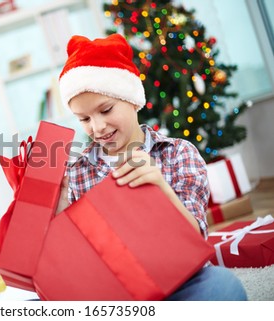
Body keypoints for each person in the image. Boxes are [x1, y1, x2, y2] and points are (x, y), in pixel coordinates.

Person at [56, 34, 247, 300]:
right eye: (84, 118)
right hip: (116, 292)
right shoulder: (77, 171)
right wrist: (60, 213)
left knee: (224, 287)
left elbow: (195, 237)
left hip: (181, 279)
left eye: (107, 110)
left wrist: (160, 189)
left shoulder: (178, 153)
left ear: (133, 100)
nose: (97, 127)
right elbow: (74, 261)